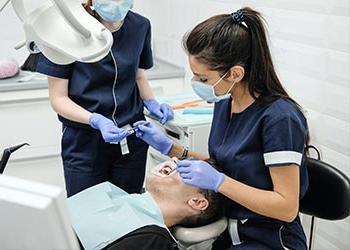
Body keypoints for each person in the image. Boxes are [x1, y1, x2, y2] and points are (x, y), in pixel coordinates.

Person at [133, 7, 309, 250]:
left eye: (203, 79)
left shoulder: (280, 119)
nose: (196, 84)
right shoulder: (226, 104)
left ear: (235, 73)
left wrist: (219, 182)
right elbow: (226, 163)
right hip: (230, 230)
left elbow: (286, 208)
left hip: (270, 239)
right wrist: (170, 148)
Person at [35, 0, 173, 197]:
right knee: (88, 213)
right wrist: (95, 120)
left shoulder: (140, 26)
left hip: (132, 137)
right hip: (85, 143)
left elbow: (138, 75)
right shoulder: (65, 30)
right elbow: (58, 98)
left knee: (128, 212)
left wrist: (151, 102)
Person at [67, 159, 223, 250]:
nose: (175, 159)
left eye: (188, 169)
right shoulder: (114, 194)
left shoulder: (151, 239)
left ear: (197, 202)